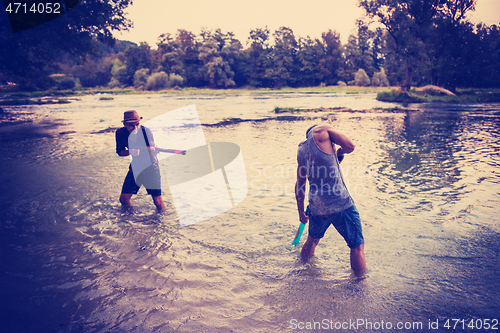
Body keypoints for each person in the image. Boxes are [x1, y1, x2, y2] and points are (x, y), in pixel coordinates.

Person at [295, 124, 366, 273]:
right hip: (340, 202)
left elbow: (300, 185)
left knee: (312, 240)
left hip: (317, 206)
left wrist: (301, 213)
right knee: (357, 246)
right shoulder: (321, 130)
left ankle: (302, 271)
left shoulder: (301, 151)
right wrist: (341, 150)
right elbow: (350, 146)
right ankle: (360, 284)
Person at [116, 110, 165, 210]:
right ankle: (130, 220)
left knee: (158, 201)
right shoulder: (120, 133)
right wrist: (130, 151)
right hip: (136, 167)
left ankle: (162, 223)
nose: (135, 128)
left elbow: (151, 150)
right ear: (125, 124)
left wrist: (153, 150)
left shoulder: (146, 132)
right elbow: (120, 152)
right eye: (131, 125)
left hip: (151, 167)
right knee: (124, 199)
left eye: (137, 124)